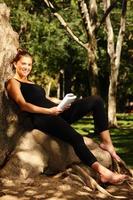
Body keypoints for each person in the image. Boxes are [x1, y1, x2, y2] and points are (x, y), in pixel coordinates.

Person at [6, 49, 127, 184]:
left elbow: (44, 99)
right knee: (76, 138)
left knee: (96, 101)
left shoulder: (31, 83)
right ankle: (103, 173)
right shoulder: (13, 82)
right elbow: (23, 105)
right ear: (15, 64)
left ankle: (107, 143)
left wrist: (62, 103)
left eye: (29, 64)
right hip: (42, 117)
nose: (27, 67)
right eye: (23, 64)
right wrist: (50, 111)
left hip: (55, 111)